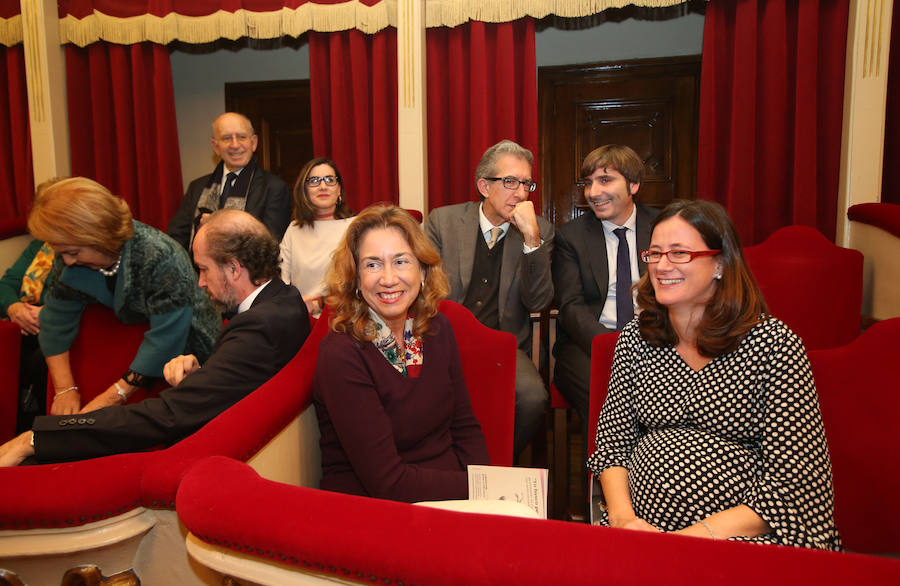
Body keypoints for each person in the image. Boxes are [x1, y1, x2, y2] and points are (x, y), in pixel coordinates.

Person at [587, 199, 841, 550]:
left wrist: (684, 542)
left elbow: (793, 485)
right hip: (642, 534)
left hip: (747, 537)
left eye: (680, 254)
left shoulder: (774, 345)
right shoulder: (638, 336)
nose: (662, 266)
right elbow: (613, 448)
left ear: (720, 263)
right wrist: (624, 520)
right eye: (655, 253)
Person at [0, 210, 310, 465]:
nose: (200, 283)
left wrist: (39, 437)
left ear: (233, 268)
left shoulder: (259, 327)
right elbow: (241, 381)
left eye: (203, 269)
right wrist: (203, 375)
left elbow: (166, 416)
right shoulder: (284, 300)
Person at [313, 204, 489, 502]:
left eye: (401, 261)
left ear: (422, 270)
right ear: (355, 279)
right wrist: (477, 492)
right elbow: (387, 482)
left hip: (448, 493)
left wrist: (487, 487)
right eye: (372, 264)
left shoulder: (436, 327)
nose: (389, 278)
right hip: (373, 507)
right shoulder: (341, 355)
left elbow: (464, 425)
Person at [26, 177, 221, 415]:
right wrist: (65, 389)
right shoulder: (68, 254)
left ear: (97, 236)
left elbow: (164, 342)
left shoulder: (159, 256)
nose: (66, 261)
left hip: (188, 355)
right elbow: (55, 324)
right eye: (62, 253)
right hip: (126, 346)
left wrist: (106, 402)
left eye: (73, 252)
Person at [425, 140, 552, 455]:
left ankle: (493, 466)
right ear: (484, 186)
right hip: (442, 340)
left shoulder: (540, 230)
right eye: (510, 182)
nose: (520, 193)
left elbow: (539, 303)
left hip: (503, 345)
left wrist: (532, 239)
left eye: (526, 184)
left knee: (533, 399)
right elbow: (423, 288)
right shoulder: (444, 222)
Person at [552, 144, 659, 421]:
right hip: (589, 343)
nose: (593, 193)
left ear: (634, 185)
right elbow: (571, 307)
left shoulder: (662, 227)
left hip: (655, 339)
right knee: (603, 395)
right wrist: (612, 346)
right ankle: (605, 464)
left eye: (605, 180)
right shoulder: (572, 237)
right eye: (589, 183)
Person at [167, 112, 291, 250]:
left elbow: (271, 243)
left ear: (254, 143)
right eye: (227, 138)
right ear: (215, 146)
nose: (235, 145)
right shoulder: (197, 187)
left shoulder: (274, 188)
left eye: (241, 137)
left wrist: (219, 227)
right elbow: (175, 240)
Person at [279, 157, 354, 316]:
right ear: (304, 190)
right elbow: (280, 282)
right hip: (302, 317)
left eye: (329, 180)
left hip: (344, 316)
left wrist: (321, 303)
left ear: (339, 189)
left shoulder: (355, 227)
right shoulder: (294, 230)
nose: (323, 186)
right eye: (314, 181)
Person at [0, 237, 54, 431]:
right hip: (27, 318)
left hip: (64, 321)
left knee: (41, 361)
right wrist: (14, 308)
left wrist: (50, 313)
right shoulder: (39, 246)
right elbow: (6, 284)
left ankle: (42, 426)